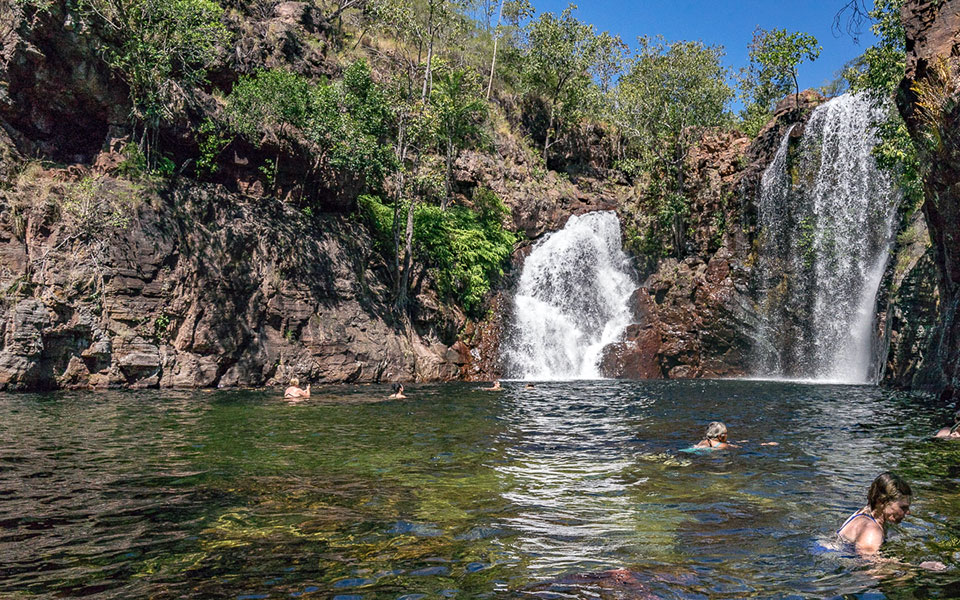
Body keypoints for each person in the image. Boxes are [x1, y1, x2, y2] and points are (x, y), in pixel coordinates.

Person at [837, 472, 947, 570]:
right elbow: (869, 567)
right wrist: (917, 568)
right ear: (881, 502)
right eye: (903, 507)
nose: (908, 512)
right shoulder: (871, 530)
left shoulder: (863, 513)